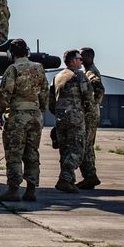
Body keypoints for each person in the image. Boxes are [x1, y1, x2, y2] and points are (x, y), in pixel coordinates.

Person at [0, 38, 49, 202]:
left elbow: (5, 93)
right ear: (27, 52)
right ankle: (31, 190)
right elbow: (45, 92)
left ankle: (13, 189)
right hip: (35, 116)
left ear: (11, 53)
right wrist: (40, 110)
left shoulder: (13, 69)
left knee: (14, 152)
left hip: (18, 116)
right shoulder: (39, 68)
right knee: (32, 152)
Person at [48, 49, 94, 193]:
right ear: (73, 61)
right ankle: (65, 178)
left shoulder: (57, 77)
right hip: (76, 118)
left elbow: (50, 102)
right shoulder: (79, 75)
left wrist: (59, 113)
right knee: (77, 150)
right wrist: (88, 113)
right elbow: (88, 97)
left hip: (61, 118)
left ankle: (69, 181)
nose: (81, 61)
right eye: (79, 59)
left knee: (65, 150)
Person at [78, 47, 105, 189]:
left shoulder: (91, 73)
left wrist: (91, 104)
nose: (80, 59)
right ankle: (90, 176)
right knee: (87, 145)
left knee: (86, 145)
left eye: (82, 56)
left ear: (89, 57)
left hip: (89, 114)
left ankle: (90, 176)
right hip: (91, 112)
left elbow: (99, 89)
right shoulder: (88, 71)